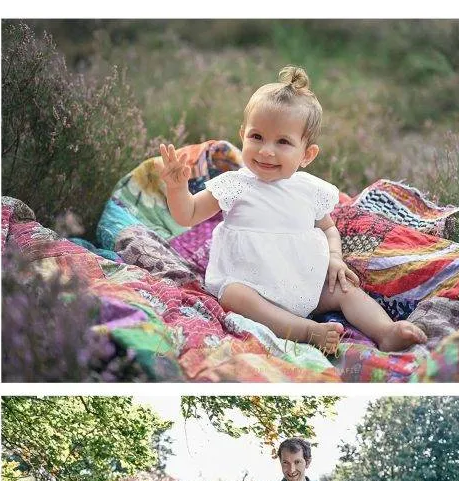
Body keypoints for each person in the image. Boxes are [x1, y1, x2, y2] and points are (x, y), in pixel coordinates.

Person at [158, 66, 426, 355]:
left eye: (283, 142)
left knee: (346, 290)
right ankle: (307, 331)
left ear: (307, 154)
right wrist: (177, 188)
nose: (266, 151)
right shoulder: (233, 184)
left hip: (303, 282)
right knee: (234, 294)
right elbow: (187, 215)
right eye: (256, 137)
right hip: (252, 284)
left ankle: (386, 331)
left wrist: (335, 259)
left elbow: (328, 227)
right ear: (242, 135)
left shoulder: (308, 189)